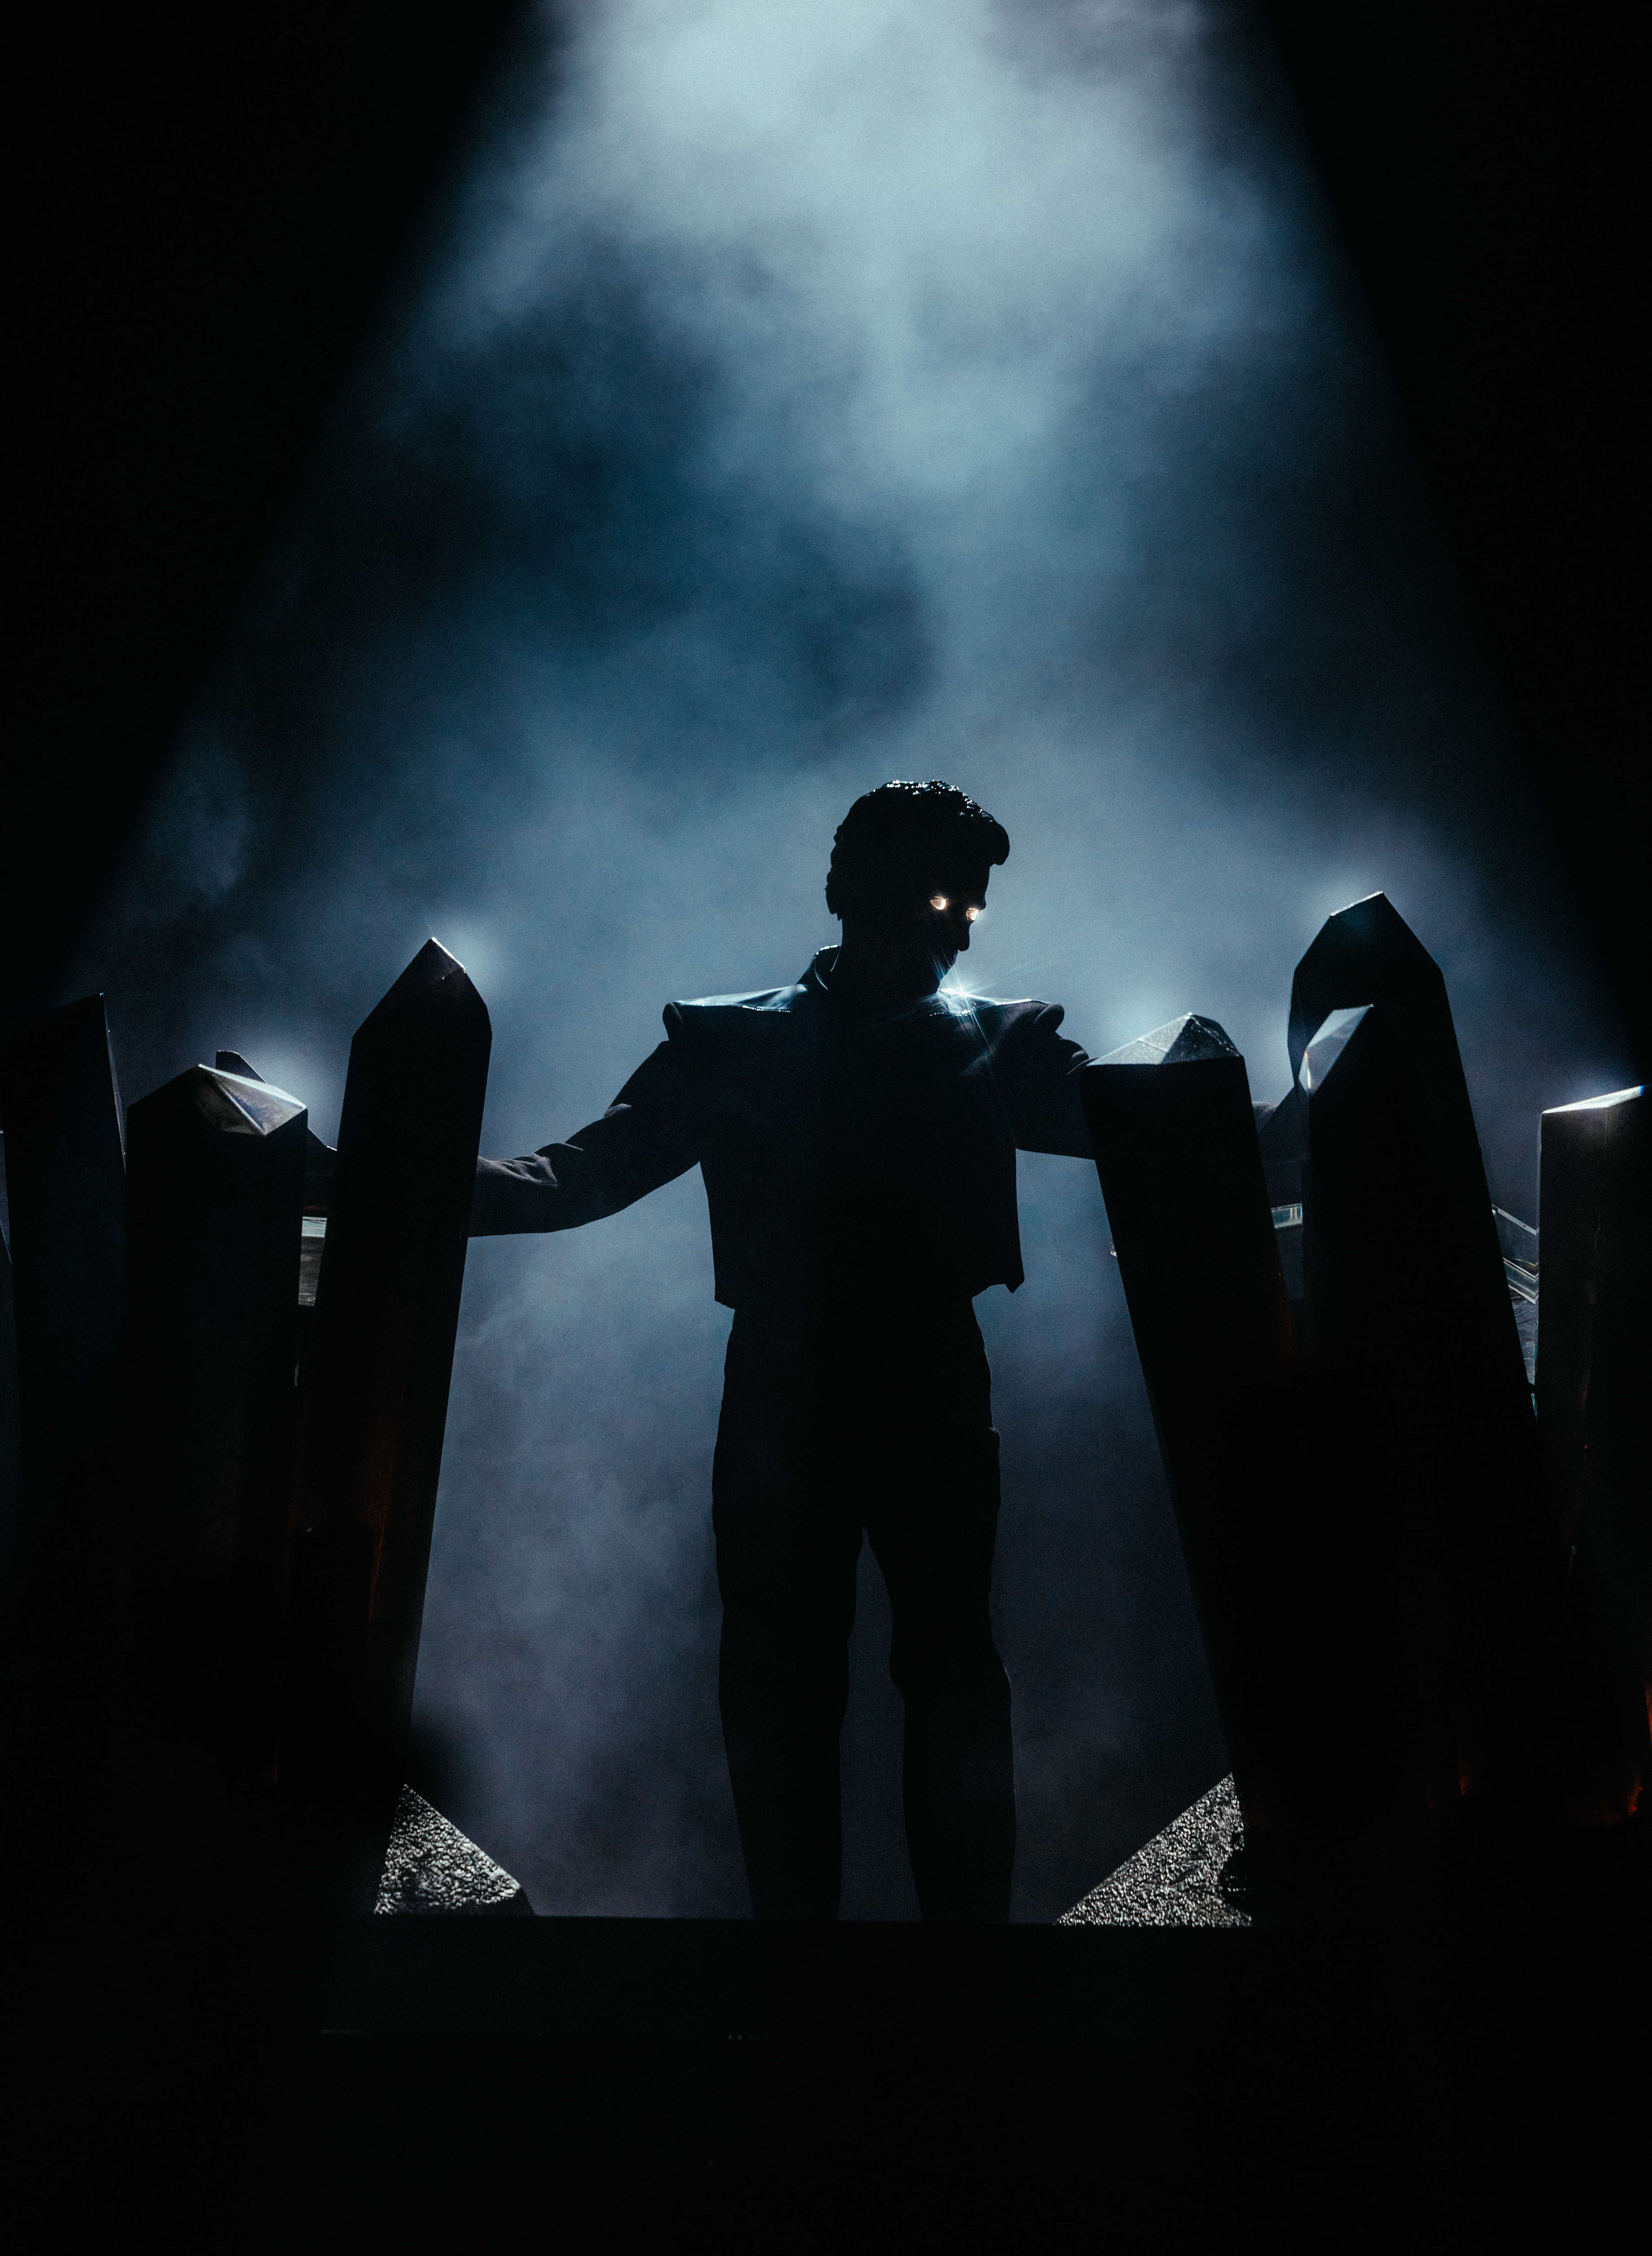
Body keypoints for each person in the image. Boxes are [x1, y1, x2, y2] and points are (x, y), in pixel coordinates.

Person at [470, 780, 1093, 1920]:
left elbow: (1158, 1124)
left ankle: (974, 1978)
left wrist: (1305, 1116)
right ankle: (794, 1971)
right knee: (778, 1686)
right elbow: (576, 1177)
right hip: (788, 1387)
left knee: (948, 1671)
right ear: (866, 894)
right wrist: (379, 1173)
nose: (962, 929)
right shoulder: (735, 1042)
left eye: (975, 908)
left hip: (916, 1379)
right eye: (950, 899)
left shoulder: (1002, 1044)